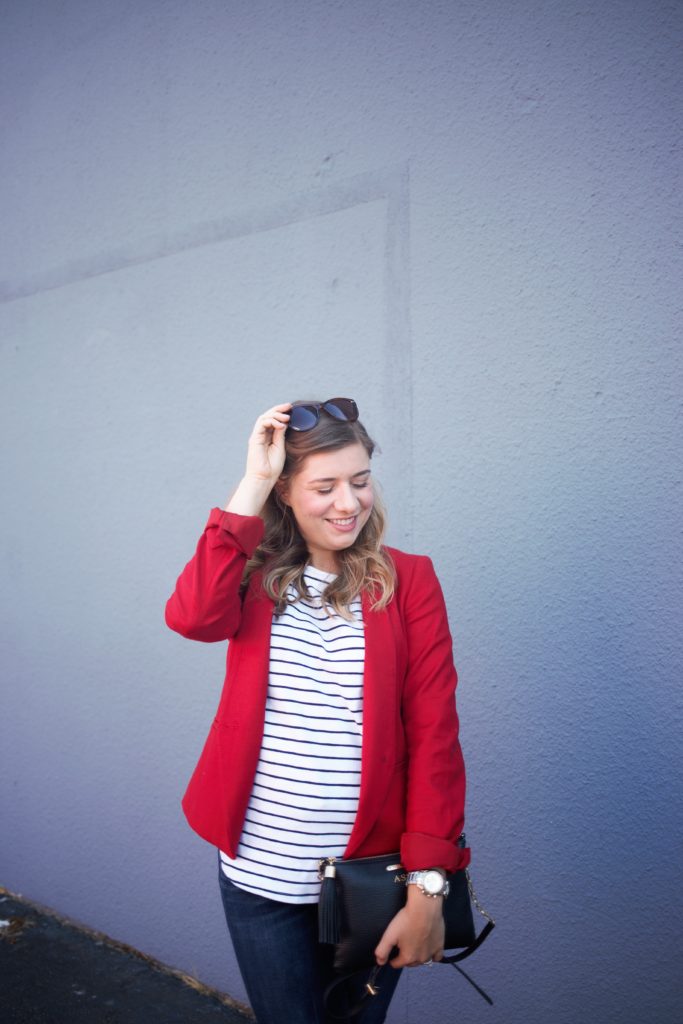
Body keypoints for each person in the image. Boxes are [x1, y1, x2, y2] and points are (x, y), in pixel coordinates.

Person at [165, 399, 470, 1024]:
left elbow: (436, 734)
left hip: (368, 883)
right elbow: (192, 617)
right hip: (259, 878)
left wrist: (429, 884)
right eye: (324, 486)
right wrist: (252, 480)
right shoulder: (255, 577)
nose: (348, 503)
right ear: (285, 494)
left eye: (359, 481)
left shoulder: (407, 580)